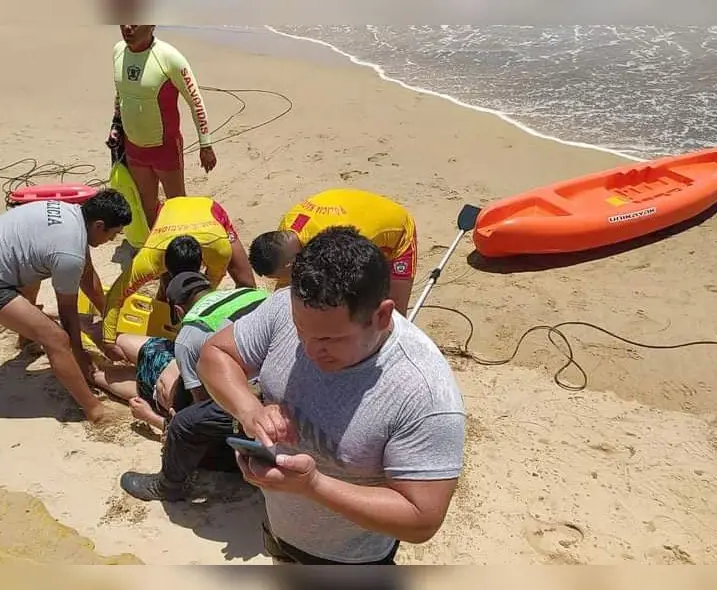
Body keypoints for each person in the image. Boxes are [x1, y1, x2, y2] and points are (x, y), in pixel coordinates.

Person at [198, 226, 465, 565]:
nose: (308, 350)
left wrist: (313, 487)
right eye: (300, 330)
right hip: (279, 527)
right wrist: (250, 410)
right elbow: (216, 355)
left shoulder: (424, 393)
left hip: (350, 560)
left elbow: (421, 519)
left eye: (329, 340)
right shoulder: (290, 307)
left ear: (381, 316)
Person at [0, 189, 132, 426]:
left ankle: (25, 339)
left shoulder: (73, 215)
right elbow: (67, 315)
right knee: (56, 339)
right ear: (99, 226)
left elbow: (89, 278)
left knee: (35, 264)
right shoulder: (69, 254)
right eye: (114, 234)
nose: (113, 240)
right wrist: (80, 355)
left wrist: (109, 324)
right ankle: (94, 410)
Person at [119, 271, 270, 502]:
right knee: (136, 356)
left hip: (173, 380)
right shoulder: (249, 294)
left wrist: (154, 419)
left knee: (183, 423)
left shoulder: (190, 334)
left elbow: (202, 409)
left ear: (178, 310)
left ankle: (168, 486)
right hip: (263, 374)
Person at [97, 196, 257, 362]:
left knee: (247, 283)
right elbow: (116, 296)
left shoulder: (219, 249)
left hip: (210, 214)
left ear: (201, 262)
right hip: (169, 213)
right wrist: (108, 342)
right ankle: (166, 310)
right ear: (162, 268)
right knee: (168, 296)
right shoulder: (149, 260)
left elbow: (210, 286)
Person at [110, 24, 217, 229]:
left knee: (177, 204)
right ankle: (159, 245)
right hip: (133, 146)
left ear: (152, 24)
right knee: (147, 205)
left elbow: (195, 101)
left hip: (164, 148)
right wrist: (115, 129)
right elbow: (121, 95)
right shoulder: (117, 52)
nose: (128, 27)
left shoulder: (169, 58)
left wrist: (206, 144)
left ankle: (182, 247)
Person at [248, 188, 418, 316]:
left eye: (281, 276)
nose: (283, 280)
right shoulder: (285, 231)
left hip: (396, 233)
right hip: (356, 208)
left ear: (289, 264)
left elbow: (357, 277)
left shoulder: (335, 246)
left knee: (392, 312)